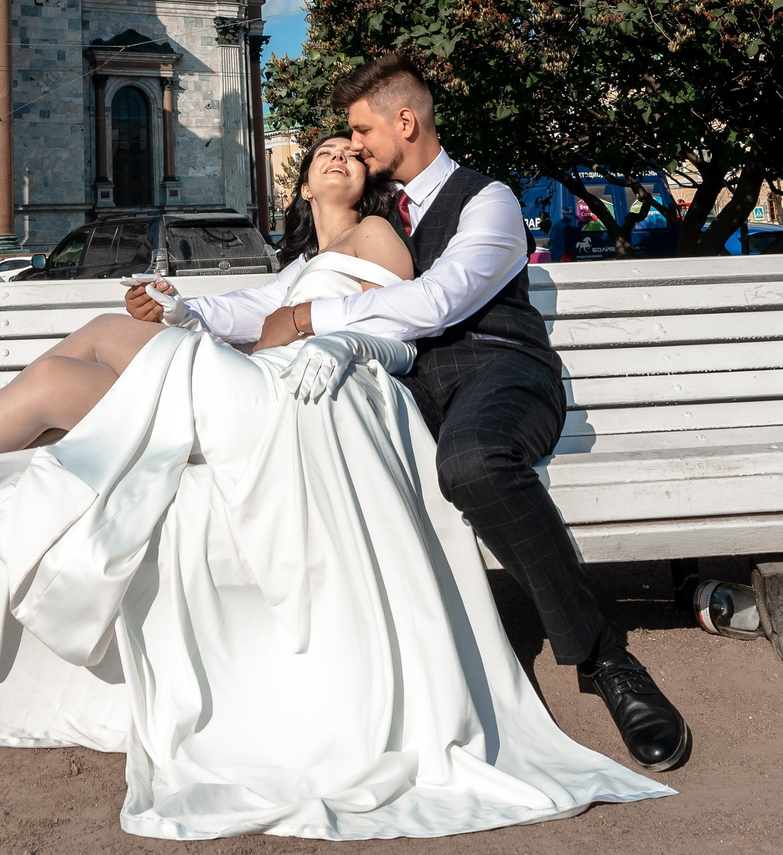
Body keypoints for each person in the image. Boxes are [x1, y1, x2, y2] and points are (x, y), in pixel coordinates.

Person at [0, 116, 673, 836]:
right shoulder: (303, 262)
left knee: (98, 351)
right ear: (302, 181)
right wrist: (192, 307)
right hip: (263, 388)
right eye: (323, 152)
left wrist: (319, 330)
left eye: (352, 152)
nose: (338, 159)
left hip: (304, 409)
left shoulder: (384, 239)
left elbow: (391, 321)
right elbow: (253, 312)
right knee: (59, 374)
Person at [170, 54, 691, 772]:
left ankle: (605, 658)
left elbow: (438, 301)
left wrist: (312, 315)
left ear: (405, 122)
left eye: (362, 130)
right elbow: (265, 300)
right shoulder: (370, 219)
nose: (354, 146)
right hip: (405, 384)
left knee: (472, 461)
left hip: (501, 371)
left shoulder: (489, 201)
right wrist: (182, 312)